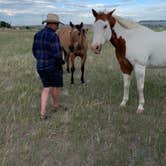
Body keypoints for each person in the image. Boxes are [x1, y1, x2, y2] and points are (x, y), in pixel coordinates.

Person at [32, 13, 65, 120]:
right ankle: (55, 105)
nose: (58, 26)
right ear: (52, 24)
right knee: (56, 85)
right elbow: (57, 54)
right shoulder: (53, 36)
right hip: (53, 66)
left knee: (46, 88)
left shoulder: (37, 34)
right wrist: (62, 62)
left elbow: (34, 51)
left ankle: (42, 113)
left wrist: (41, 60)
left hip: (40, 66)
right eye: (57, 24)